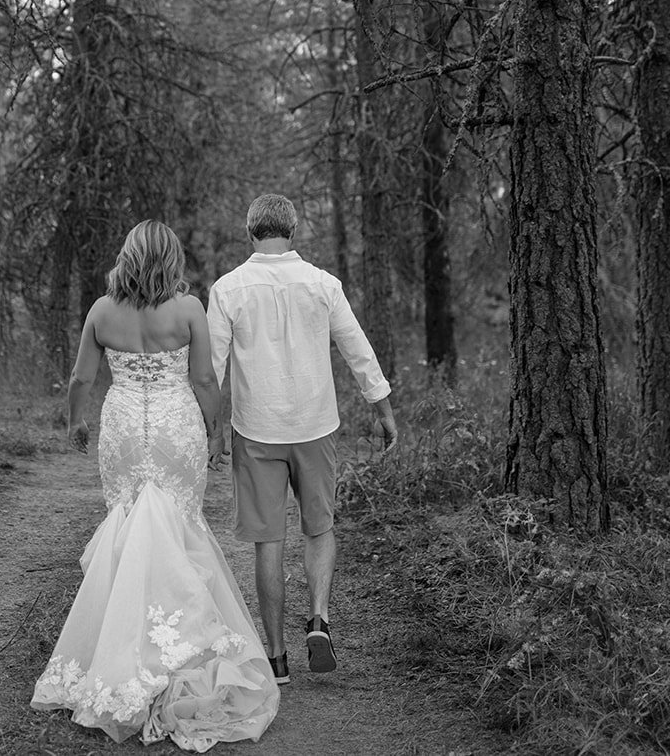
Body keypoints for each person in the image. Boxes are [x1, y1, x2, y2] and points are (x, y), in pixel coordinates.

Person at [31, 220, 279, 752]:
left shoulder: (102, 310)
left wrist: (75, 422)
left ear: (127, 257)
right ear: (172, 259)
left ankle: (121, 652)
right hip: (174, 427)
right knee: (178, 526)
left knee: (126, 523)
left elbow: (81, 378)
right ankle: (180, 648)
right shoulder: (188, 310)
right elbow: (204, 379)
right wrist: (215, 431)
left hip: (122, 425)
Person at [206, 193, 398, 686]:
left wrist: (209, 431)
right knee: (319, 528)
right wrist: (382, 407)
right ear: (293, 232)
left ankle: (276, 658)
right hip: (315, 425)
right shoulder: (323, 284)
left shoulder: (227, 289)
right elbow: (357, 347)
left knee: (268, 541)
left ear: (251, 232)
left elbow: (212, 369)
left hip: (256, 429)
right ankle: (318, 619)